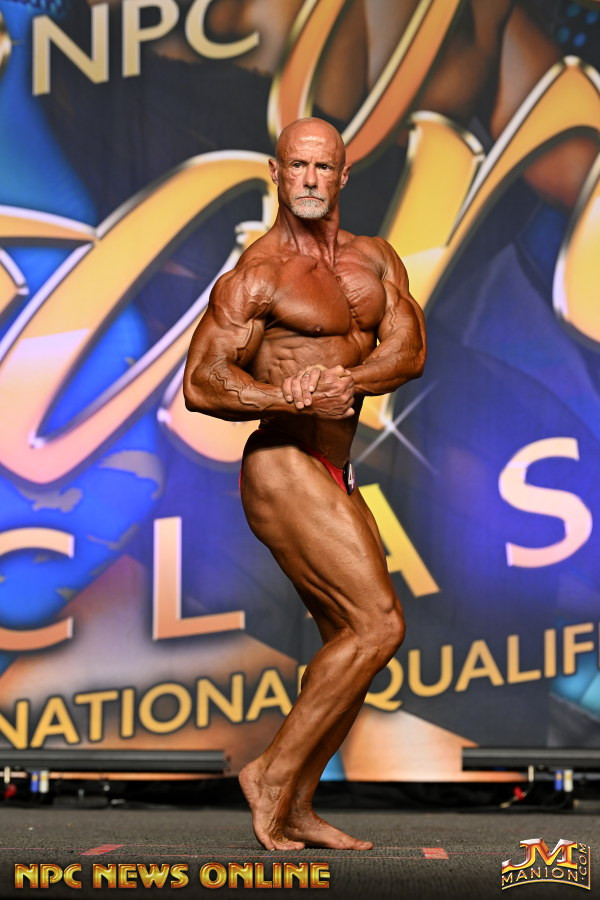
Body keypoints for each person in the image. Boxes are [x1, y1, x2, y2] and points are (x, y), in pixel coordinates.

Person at [183, 116, 426, 851]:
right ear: (277, 172)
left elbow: (408, 349)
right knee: (378, 625)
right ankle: (270, 775)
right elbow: (202, 381)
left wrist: (351, 379)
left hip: (336, 469)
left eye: (323, 167)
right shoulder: (260, 273)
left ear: (343, 175)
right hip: (283, 462)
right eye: (297, 166)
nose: (311, 180)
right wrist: (283, 398)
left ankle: (296, 806)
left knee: (346, 647)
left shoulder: (375, 258)